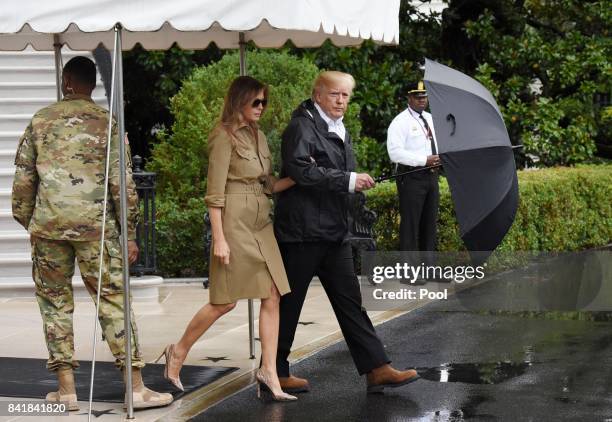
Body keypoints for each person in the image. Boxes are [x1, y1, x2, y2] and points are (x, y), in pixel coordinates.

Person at [11, 56, 173, 410]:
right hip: (96, 230)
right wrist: (128, 234)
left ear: (67, 81)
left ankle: (66, 390)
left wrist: (29, 220)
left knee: (55, 305)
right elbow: (122, 184)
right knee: (113, 301)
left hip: (49, 229)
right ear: (92, 85)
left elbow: (24, 180)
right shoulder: (108, 123)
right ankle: (135, 387)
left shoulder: (41, 120)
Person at [273, 71, 421, 394]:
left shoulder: (338, 128)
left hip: (333, 232)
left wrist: (350, 181)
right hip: (303, 232)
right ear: (317, 95)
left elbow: (324, 172)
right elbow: (300, 169)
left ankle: (377, 367)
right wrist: (348, 179)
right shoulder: (302, 126)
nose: (341, 101)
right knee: (289, 302)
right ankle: (275, 371)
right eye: (334, 94)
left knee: (351, 303)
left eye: (345, 96)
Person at [159, 76, 297, 402]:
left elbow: (268, 184)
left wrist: (305, 177)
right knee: (225, 301)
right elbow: (214, 196)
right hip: (234, 222)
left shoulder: (260, 137)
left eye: (264, 102)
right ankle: (177, 351)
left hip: (261, 221)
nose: (261, 108)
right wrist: (219, 239)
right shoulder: (222, 137)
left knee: (273, 294)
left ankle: (268, 371)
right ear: (239, 101)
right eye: (256, 102)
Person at [386, 81, 440, 268]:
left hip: (431, 176)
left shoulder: (431, 118)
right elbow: (395, 153)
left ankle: (429, 269)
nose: (421, 100)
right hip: (411, 177)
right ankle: (409, 272)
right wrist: (424, 160)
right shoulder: (400, 122)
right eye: (417, 97)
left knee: (429, 224)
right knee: (410, 225)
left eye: (424, 96)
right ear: (409, 98)